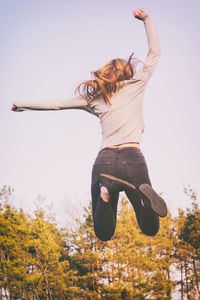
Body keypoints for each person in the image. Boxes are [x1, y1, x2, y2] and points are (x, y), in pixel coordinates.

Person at [12, 8, 167, 241]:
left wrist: (22, 104)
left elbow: (57, 104)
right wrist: (147, 19)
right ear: (127, 73)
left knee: (103, 232)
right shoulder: (136, 84)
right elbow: (155, 52)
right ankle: (144, 199)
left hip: (105, 162)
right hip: (133, 158)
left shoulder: (94, 98)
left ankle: (106, 194)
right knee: (150, 228)